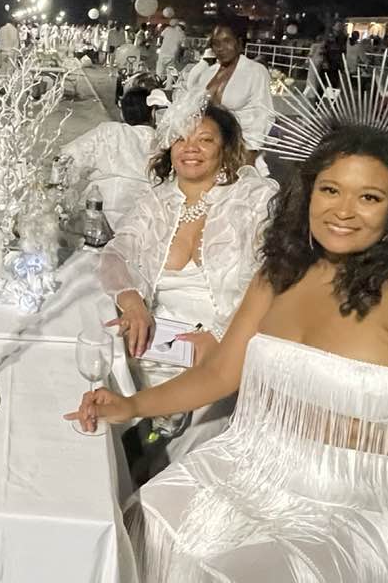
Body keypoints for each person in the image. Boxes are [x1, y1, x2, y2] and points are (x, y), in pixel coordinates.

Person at [68, 121, 388, 582]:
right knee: (147, 514)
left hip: (362, 500)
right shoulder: (281, 273)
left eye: (369, 197)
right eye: (330, 190)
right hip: (258, 467)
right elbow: (219, 374)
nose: (344, 211)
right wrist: (129, 406)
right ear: (307, 193)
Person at [98, 101, 277, 454]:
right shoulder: (156, 203)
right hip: (157, 336)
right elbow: (115, 253)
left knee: (197, 435)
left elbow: (273, 277)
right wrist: (132, 302)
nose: (190, 148)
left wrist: (221, 337)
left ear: (225, 149)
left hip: (226, 342)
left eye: (205, 140)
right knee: (103, 360)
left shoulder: (253, 200)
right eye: (180, 138)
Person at [61, 88, 160, 228]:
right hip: (143, 218)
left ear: (122, 113)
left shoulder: (109, 132)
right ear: (153, 113)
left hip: (98, 212)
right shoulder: (162, 141)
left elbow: (67, 159)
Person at [190, 22, 275, 167]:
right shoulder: (208, 73)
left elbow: (264, 114)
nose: (221, 48)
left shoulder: (255, 71)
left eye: (227, 41)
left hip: (240, 148)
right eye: (216, 43)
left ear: (239, 43)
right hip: (209, 149)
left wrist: (251, 151)